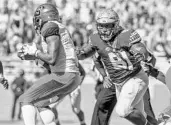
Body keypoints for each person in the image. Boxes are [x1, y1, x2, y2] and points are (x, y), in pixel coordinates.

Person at [77, 8, 151, 125]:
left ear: (116, 25)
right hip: (118, 83)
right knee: (138, 117)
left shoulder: (126, 35)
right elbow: (91, 57)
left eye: (107, 26)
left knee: (122, 111)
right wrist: (104, 75)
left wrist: (141, 53)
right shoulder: (96, 39)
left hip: (134, 78)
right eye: (101, 26)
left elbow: (140, 48)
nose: (104, 30)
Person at [17, 3, 80, 125]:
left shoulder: (49, 27)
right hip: (71, 76)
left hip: (63, 76)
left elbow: (51, 59)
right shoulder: (59, 27)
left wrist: (35, 52)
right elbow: (52, 64)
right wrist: (32, 56)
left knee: (25, 100)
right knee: (40, 103)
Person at [51, 30, 87, 125]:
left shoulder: (68, 56)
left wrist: (78, 85)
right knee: (51, 106)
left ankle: (83, 123)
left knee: (76, 109)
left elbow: (83, 72)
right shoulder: (52, 56)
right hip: (61, 86)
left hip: (72, 85)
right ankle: (57, 123)